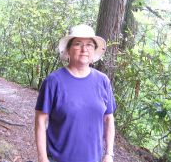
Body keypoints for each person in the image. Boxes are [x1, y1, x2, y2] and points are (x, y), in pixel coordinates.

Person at [35, 24, 116, 162]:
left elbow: (109, 119)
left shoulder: (103, 81)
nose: (84, 49)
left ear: (94, 50)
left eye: (89, 45)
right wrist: (42, 159)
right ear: (68, 50)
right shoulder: (53, 81)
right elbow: (40, 121)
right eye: (78, 44)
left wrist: (109, 154)